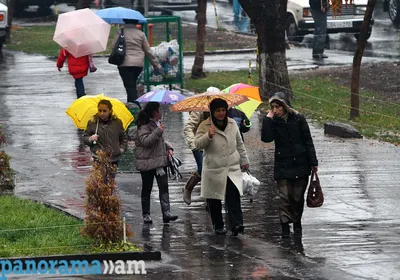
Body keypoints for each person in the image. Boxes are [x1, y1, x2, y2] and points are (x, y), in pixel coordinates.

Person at [261, 92, 318, 238]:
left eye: (277, 107)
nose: (275, 110)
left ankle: (297, 223)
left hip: (300, 163)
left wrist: (313, 162)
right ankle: (285, 226)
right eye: (272, 107)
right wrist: (267, 120)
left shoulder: (298, 119)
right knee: (284, 197)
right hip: (282, 164)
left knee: (297, 197)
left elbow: (308, 140)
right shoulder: (273, 122)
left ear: (285, 107)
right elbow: (266, 138)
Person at [195, 98, 250, 236]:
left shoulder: (232, 123)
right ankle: (218, 225)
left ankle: (236, 224)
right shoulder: (204, 125)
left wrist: (244, 160)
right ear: (212, 112)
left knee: (233, 196)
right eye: (218, 110)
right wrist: (208, 136)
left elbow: (239, 143)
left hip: (231, 167)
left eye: (223, 110)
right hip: (214, 168)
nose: (221, 113)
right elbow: (197, 144)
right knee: (214, 199)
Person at [134, 102, 178, 224]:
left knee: (164, 188)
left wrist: (168, 147)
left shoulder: (156, 124)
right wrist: (158, 130)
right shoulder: (143, 126)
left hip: (160, 162)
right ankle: (146, 214)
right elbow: (146, 141)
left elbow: (159, 141)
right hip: (147, 163)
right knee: (147, 188)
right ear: (155, 112)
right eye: (160, 110)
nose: (162, 112)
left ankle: (166, 212)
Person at [112, 19, 163, 104]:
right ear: (136, 22)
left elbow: (113, 46)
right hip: (138, 64)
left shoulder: (120, 32)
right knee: (131, 84)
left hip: (124, 63)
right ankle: (132, 103)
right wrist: (156, 65)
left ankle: (134, 104)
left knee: (129, 85)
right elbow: (148, 51)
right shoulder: (141, 34)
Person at [83, 99, 127, 176]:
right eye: (100, 110)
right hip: (98, 158)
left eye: (104, 111)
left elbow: (123, 138)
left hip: (113, 158)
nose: (102, 113)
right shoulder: (93, 122)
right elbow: (85, 138)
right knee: (100, 183)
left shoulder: (117, 122)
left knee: (110, 182)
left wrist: (121, 149)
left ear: (110, 111)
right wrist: (90, 138)